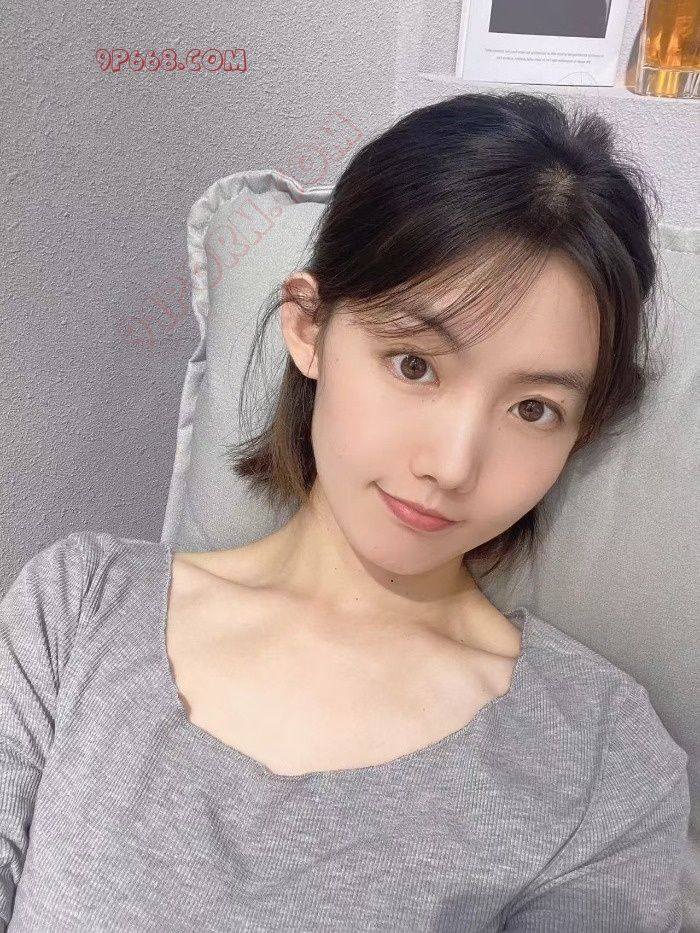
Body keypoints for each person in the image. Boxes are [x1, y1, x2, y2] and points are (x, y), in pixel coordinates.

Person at [0, 92, 690, 931]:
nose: (451, 465)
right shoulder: (77, 613)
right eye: (414, 364)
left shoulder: (602, 762)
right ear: (309, 327)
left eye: (533, 408)